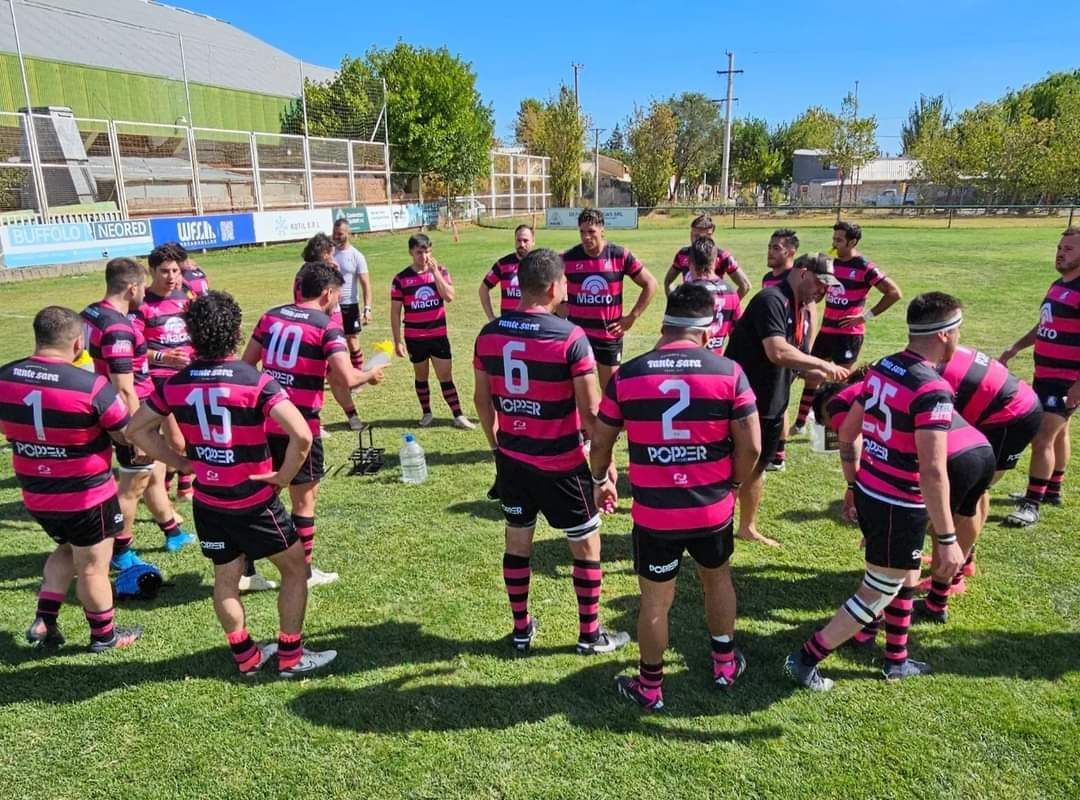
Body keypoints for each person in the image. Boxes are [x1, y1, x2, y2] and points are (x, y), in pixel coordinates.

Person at [128, 291, 337, 678]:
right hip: (254, 501)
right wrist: (283, 477)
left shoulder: (175, 383)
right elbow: (302, 437)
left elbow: (135, 429)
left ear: (191, 335)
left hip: (208, 502)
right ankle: (290, 657)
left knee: (226, 579)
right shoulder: (255, 381)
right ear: (237, 332)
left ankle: (246, 657)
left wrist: (180, 461)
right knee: (295, 571)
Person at [589, 284, 761, 711]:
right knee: (717, 580)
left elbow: (601, 437)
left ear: (665, 324)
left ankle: (650, 688)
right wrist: (735, 485)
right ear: (707, 330)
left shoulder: (629, 374)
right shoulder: (728, 372)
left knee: (655, 600)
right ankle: (723, 664)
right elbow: (753, 447)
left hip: (655, 515)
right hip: (712, 508)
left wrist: (600, 479)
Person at [784, 292, 967, 691]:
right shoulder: (934, 390)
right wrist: (949, 540)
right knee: (877, 589)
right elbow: (934, 471)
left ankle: (895, 659)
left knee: (905, 575)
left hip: (871, 489)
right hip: (898, 504)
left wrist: (853, 484)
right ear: (945, 335)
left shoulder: (884, 366)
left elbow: (848, 433)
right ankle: (804, 658)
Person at [473, 247, 629, 656]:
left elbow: (481, 402)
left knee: (517, 544)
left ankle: (521, 630)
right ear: (554, 286)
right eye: (564, 282)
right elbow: (592, 415)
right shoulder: (570, 337)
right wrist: (604, 469)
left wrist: (498, 447)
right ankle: (589, 634)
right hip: (562, 464)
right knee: (586, 546)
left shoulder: (489, 335)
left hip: (514, 462)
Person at [0, 306, 142, 652]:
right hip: (86, 497)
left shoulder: (5, 376)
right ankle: (105, 637)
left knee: (66, 548)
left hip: (36, 494)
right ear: (79, 342)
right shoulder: (90, 386)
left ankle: (44, 620)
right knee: (94, 567)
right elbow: (126, 434)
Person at [813, 369, 995, 628]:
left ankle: (879, 632)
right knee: (956, 523)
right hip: (978, 448)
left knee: (909, 539)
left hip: (948, 459)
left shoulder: (840, 405)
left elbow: (858, 448)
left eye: (825, 424)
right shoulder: (882, 382)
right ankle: (937, 604)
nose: (829, 428)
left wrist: (868, 508)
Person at [242, 262, 384, 589]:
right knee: (304, 501)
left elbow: (247, 366)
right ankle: (303, 573)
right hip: (300, 427)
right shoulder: (326, 326)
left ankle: (247, 571)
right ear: (328, 293)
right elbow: (346, 378)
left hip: (264, 422)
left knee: (262, 494)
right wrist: (370, 375)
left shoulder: (271, 316)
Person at [726, 253, 848, 546]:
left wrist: (817, 376)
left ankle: (747, 527)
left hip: (772, 402)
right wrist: (822, 365)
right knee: (731, 467)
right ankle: (715, 524)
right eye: (820, 283)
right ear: (803, 272)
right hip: (742, 402)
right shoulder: (771, 299)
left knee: (758, 468)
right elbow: (777, 351)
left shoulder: (804, 309)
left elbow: (795, 359)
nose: (823, 291)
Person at [81, 258, 191, 574]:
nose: (144, 292)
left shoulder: (91, 312)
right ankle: (122, 552)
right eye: (142, 286)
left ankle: (173, 532)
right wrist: (135, 433)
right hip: (130, 414)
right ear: (132, 287)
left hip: (124, 410)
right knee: (132, 486)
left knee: (153, 473)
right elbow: (125, 388)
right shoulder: (116, 327)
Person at [937, 345, 1042, 574]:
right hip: (1001, 409)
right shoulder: (927, 357)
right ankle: (965, 559)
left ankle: (956, 573)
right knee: (976, 490)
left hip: (1012, 416)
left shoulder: (924, 378)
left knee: (969, 495)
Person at [1000, 227, 1080, 526]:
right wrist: (1016, 347)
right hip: (1045, 374)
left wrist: (1078, 385)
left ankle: (1031, 504)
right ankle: (1052, 489)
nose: (1061, 252)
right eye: (1060, 247)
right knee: (1060, 433)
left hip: (1065, 379)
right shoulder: (1059, 285)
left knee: (1041, 437)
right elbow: (1045, 325)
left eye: (1069, 249)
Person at [793, 222, 902, 433]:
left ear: (852, 242)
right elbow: (823, 292)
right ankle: (800, 422)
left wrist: (864, 317)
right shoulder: (832, 264)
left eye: (839, 240)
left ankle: (840, 423)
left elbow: (894, 293)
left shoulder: (865, 267)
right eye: (833, 239)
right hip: (826, 331)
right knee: (813, 375)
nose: (834, 244)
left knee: (842, 380)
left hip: (848, 335)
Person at [131, 246, 199, 512]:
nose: (171, 277)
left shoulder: (188, 297)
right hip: (160, 380)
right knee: (177, 440)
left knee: (192, 433)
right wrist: (164, 358)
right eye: (165, 271)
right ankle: (182, 485)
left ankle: (175, 481)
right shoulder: (141, 305)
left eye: (176, 271)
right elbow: (134, 352)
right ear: (151, 271)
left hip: (189, 375)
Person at [562, 208, 658, 388]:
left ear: (602, 230)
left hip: (608, 337)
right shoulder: (568, 258)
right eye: (582, 232)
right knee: (575, 392)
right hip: (578, 338)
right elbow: (550, 283)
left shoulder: (619, 255)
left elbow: (650, 284)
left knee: (610, 393)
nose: (586, 237)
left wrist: (632, 317)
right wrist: (561, 305)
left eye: (591, 232)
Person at [392, 233, 475, 429]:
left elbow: (449, 297)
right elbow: (395, 313)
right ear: (411, 252)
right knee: (421, 376)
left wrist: (435, 273)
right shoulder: (401, 279)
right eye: (420, 252)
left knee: (445, 376)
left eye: (427, 252)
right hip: (414, 337)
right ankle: (427, 413)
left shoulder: (442, 271)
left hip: (438, 335)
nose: (424, 257)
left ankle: (458, 415)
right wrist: (397, 341)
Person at [299, 232, 366, 432]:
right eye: (330, 253)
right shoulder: (305, 275)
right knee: (317, 377)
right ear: (322, 252)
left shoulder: (328, 269)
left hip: (332, 328)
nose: (332, 257)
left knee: (336, 375)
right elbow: (305, 304)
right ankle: (313, 422)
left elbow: (338, 296)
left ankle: (352, 415)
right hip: (315, 329)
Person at [760, 228, 802, 471]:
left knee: (779, 403)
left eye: (777, 248)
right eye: (770, 246)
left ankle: (778, 456)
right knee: (774, 400)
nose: (771, 251)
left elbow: (807, 313)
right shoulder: (768, 278)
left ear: (791, 252)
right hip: (770, 346)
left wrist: (803, 348)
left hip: (785, 349)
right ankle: (775, 453)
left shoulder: (793, 280)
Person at [663, 213, 750, 298]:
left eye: (704, 237)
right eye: (696, 236)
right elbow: (668, 281)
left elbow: (745, 285)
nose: (699, 240)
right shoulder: (683, 254)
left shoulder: (723, 256)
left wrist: (727, 306)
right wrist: (674, 304)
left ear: (711, 236)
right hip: (689, 310)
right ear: (691, 234)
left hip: (712, 310)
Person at [684, 236, 742, 354]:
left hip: (692, 362)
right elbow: (738, 337)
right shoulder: (731, 293)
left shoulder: (688, 293)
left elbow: (676, 336)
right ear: (716, 262)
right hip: (716, 364)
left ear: (689, 262)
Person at [331, 218, 371, 373]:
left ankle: (358, 373)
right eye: (334, 233)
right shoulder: (330, 254)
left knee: (352, 340)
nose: (336, 237)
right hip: (330, 306)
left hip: (350, 305)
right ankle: (337, 373)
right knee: (332, 341)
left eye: (340, 234)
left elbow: (365, 284)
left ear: (348, 233)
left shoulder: (356, 256)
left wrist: (367, 308)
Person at [480, 224, 534, 321]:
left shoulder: (540, 264)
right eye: (518, 240)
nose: (521, 244)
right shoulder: (503, 264)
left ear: (533, 242)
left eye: (525, 241)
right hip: (508, 325)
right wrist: (491, 317)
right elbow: (483, 288)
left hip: (532, 324)